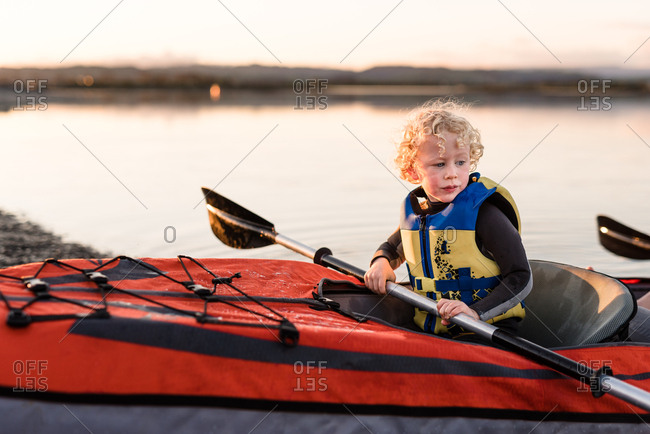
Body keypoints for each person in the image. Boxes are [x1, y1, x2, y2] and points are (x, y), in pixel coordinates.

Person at [364, 100, 532, 340]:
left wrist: (475, 312)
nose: (452, 172)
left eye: (460, 162)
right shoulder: (418, 211)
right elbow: (394, 247)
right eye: (440, 164)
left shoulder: (485, 214)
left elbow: (521, 276)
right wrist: (381, 262)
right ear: (413, 171)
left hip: (487, 330)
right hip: (433, 328)